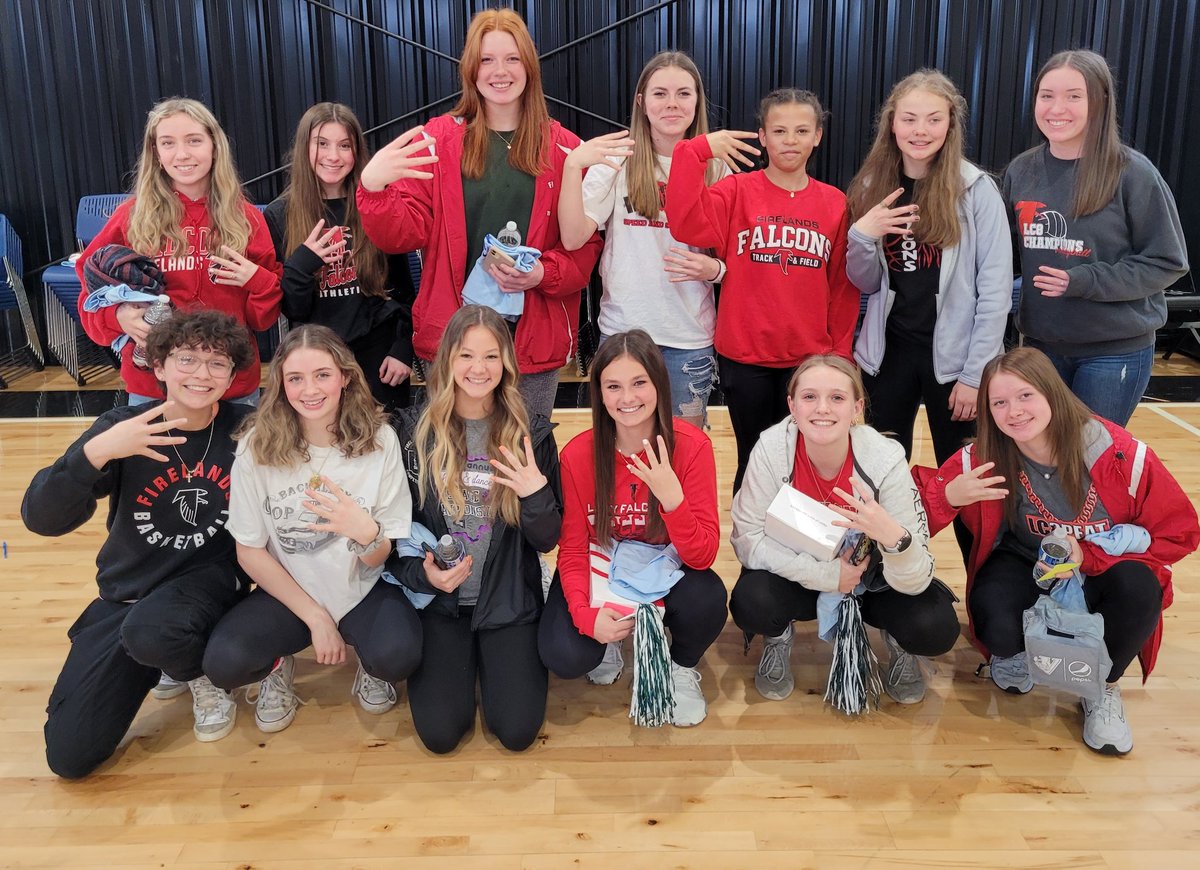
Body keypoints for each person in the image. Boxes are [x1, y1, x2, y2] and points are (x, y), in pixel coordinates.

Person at [914, 347, 1199, 754]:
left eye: (1025, 395)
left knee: (1139, 591)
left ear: (1052, 392)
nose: (1014, 411)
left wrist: (1090, 555)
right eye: (999, 402)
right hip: (1029, 562)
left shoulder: (1120, 454)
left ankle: (1103, 688)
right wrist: (950, 498)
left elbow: (1181, 532)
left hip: (1105, 568)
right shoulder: (983, 457)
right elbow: (909, 516)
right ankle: (1015, 654)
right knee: (994, 617)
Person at [23, 311, 258, 777]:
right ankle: (165, 655)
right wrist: (97, 453)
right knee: (70, 756)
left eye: (217, 364)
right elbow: (42, 518)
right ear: (159, 365)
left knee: (153, 633)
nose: (200, 374)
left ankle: (197, 671)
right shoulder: (122, 427)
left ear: (233, 376)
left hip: (209, 581)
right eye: (186, 359)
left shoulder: (247, 428)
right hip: (129, 591)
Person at [357, 8, 602, 419]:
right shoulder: (436, 142)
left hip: (531, 342)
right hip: (454, 343)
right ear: (471, 70)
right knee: (456, 461)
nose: (499, 71)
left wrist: (543, 273)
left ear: (529, 67)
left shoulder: (566, 151)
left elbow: (586, 248)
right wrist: (373, 188)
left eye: (511, 59)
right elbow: (398, 236)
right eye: (487, 60)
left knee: (526, 457)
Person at [203, 325, 420, 733]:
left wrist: (364, 531)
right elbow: (249, 550)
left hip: (362, 587)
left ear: (345, 376)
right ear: (281, 385)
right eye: (295, 378)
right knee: (225, 663)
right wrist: (316, 618)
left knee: (398, 657)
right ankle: (277, 666)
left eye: (322, 374)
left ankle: (369, 665)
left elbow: (381, 552)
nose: (309, 390)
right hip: (290, 592)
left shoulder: (381, 440)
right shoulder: (256, 446)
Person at [730, 354, 959, 705]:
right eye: (809, 397)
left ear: (857, 407)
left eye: (837, 397)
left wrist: (895, 540)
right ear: (792, 405)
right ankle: (777, 637)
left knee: (935, 626)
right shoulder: (772, 449)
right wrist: (827, 576)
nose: (822, 408)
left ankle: (899, 643)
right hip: (804, 571)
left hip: (873, 580)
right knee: (752, 601)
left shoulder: (885, 459)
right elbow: (746, 539)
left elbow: (919, 574)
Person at [665, 88, 858, 492]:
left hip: (809, 359)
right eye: (780, 130)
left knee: (807, 464)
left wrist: (839, 357)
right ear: (763, 137)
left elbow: (842, 287)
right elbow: (685, 224)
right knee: (753, 461)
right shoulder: (736, 192)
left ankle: (804, 553)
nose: (791, 140)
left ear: (818, 136)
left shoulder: (835, 203)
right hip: (746, 356)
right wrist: (694, 151)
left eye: (802, 130)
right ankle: (753, 556)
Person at [389, 305, 562, 754]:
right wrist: (422, 576)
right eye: (467, 355)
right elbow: (392, 536)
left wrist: (535, 494)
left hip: (507, 599)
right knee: (441, 736)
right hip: (441, 603)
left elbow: (547, 539)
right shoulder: (411, 433)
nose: (478, 369)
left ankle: (494, 658)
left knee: (518, 732)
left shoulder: (532, 435)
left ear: (506, 362)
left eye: (490, 356)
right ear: (447, 359)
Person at [538, 329, 727, 727]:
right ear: (600, 394)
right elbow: (571, 550)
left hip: (663, 566)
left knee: (708, 598)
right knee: (565, 655)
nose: (627, 398)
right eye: (614, 386)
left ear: (659, 385)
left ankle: (679, 667)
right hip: (604, 568)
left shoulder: (692, 447)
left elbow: (703, 555)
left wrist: (672, 500)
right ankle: (613, 637)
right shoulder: (579, 455)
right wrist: (587, 617)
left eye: (639, 383)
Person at [1003, 49, 1189, 426]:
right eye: (1047, 95)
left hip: (1113, 352)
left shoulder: (1133, 173)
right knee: (1044, 457)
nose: (1058, 108)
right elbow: (1007, 258)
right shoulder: (1021, 171)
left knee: (1093, 462)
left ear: (1100, 100)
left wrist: (1083, 280)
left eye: (1074, 96)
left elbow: (1167, 261)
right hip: (1041, 348)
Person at [847, 69, 1011, 469]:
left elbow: (995, 293)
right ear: (892, 123)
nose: (920, 130)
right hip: (887, 357)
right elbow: (864, 282)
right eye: (909, 119)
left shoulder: (975, 189)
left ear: (950, 124)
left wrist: (976, 375)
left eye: (933, 119)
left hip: (957, 362)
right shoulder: (873, 184)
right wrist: (861, 237)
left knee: (968, 477)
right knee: (880, 476)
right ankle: (892, 537)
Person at [557, 51, 726, 428]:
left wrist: (716, 269)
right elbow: (572, 237)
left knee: (683, 450)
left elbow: (736, 257)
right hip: (624, 333)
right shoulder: (618, 158)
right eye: (660, 93)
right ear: (641, 101)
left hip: (689, 337)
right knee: (620, 448)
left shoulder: (716, 165)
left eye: (683, 93)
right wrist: (572, 166)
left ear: (697, 100)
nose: (671, 104)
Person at [76, 97, 282, 405]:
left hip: (230, 384)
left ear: (215, 146)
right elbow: (89, 293)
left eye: (194, 141)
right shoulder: (132, 216)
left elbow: (261, 319)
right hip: (153, 387)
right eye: (168, 143)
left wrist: (258, 280)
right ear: (156, 153)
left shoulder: (246, 218)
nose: (182, 154)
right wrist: (118, 316)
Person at [264, 102, 417, 412]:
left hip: (379, 361)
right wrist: (304, 261)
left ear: (356, 152)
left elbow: (403, 292)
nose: (333, 156)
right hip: (316, 362)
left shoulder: (376, 203)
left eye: (344, 145)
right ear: (303, 148)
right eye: (322, 144)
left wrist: (403, 348)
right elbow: (293, 308)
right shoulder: (280, 215)